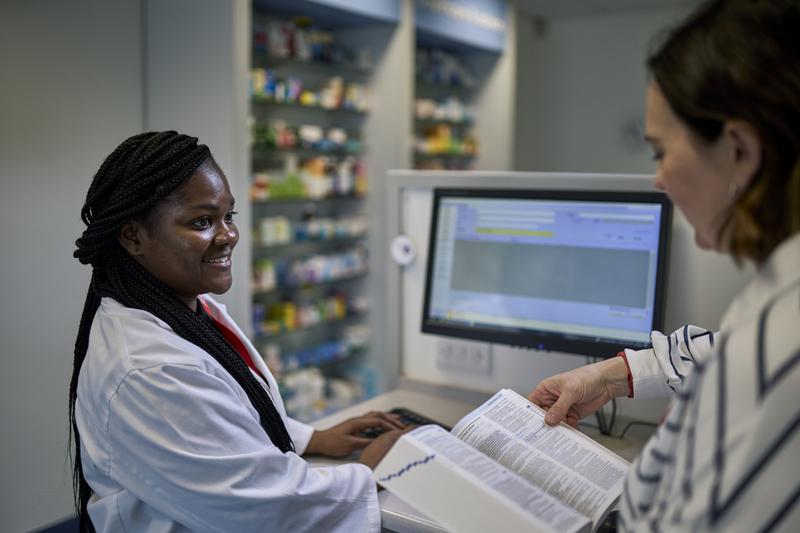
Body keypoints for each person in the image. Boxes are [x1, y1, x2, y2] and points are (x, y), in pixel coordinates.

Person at [527, 0, 800, 531]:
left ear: (740, 150)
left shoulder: (782, 347)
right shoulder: (778, 297)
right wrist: (612, 376)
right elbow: (726, 346)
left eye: (660, 152)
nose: (657, 180)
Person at [69, 131, 410, 533]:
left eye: (228, 216)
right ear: (133, 236)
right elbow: (265, 511)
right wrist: (369, 471)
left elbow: (219, 422)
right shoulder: (150, 369)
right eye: (202, 221)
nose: (228, 235)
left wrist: (311, 438)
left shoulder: (184, 310)